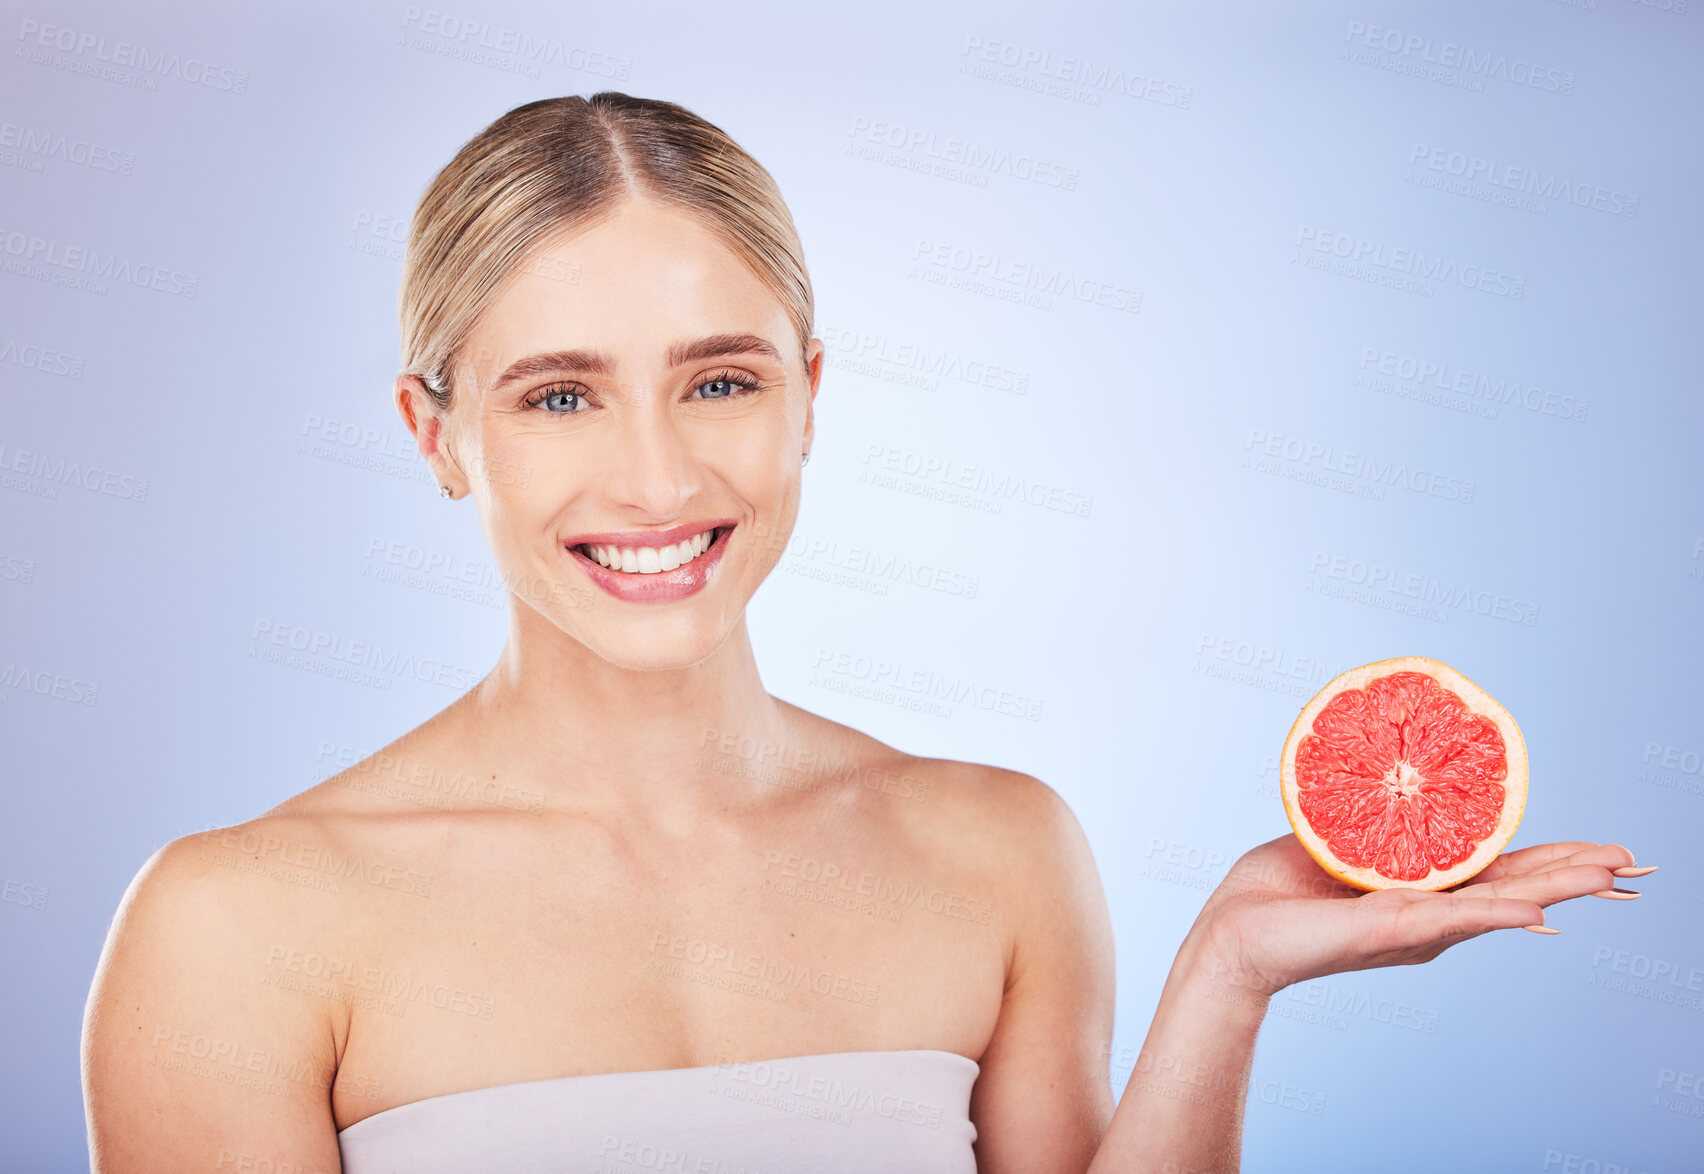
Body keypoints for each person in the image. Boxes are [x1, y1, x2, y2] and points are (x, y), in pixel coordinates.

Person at [80, 92, 1651, 1174]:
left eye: (722, 380)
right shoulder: (237, 929)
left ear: (812, 397)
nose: (657, 473)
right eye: (559, 394)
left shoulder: (998, 851)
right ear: (436, 436)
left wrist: (1228, 973)